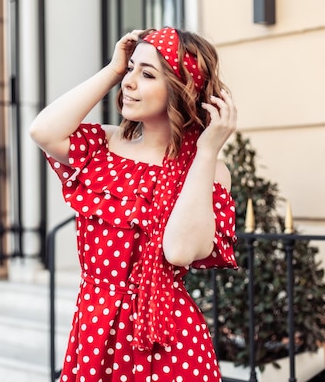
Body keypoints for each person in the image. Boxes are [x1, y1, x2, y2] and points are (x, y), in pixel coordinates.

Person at [30, 26, 238, 382]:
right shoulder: (104, 146)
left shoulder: (208, 168)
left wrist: (207, 149)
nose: (129, 82)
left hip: (167, 342)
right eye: (131, 69)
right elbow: (43, 131)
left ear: (180, 88)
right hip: (95, 328)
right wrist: (112, 68)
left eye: (147, 74)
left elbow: (180, 251)